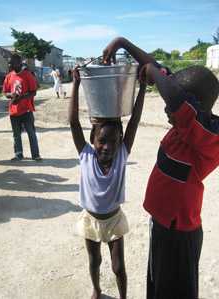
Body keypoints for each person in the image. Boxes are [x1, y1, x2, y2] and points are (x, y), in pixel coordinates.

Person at [103, 37, 219, 299]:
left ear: (195, 108)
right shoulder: (184, 128)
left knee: (176, 291)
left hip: (180, 235)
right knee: (159, 284)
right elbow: (158, 70)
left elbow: (175, 96)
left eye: (172, 107)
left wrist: (154, 73)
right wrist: (122, 43)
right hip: (162, 225)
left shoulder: (208, 138)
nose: (168, 109)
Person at [68, 65, 147, 299]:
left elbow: (134, 121)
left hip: (113, 220)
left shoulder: (122, 154)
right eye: (102, 141)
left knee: (118, 266)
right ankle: (97, 289)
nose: (107, 147)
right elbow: (73, 122)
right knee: (94, 261)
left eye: (114, 141)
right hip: (90, 219)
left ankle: (123, 296)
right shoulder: (86, 154)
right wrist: (76, 83)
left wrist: (141, 88)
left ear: (121, 141)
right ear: (92, 140)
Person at [3, 53, 42, 161]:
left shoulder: (27, 75)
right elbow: (5, 92)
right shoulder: (9, 76)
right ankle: (18, 154)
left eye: (12, 62)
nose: (10, 64)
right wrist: (11, 95)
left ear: (19, 62)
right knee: (16, 134)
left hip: (26, 110)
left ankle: (35, 155)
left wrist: (22, 97)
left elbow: (33, 92)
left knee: (31, 133)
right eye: (9, 62)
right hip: (13, 111)